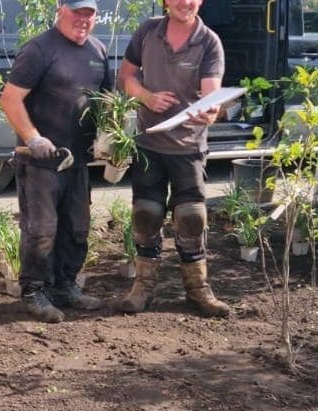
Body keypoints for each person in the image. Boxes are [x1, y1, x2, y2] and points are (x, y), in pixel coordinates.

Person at [112, 0, 233, 317]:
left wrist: (210, 111)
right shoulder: (148, 31)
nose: (185, 2)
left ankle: (197, 290)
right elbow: (126, 76)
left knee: (192, 217)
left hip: (188, 147)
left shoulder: (209, 42)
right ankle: (142, 287)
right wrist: (146, 96)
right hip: (149, 143)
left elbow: (211, 94)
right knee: (146, 213)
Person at [0, 0, 113, 323]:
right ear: (60, 10)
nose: (83, 20)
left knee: (76, 228)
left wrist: (114, 141)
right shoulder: (39, 50)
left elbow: (107, 103)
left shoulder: (98, 51)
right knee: (41, 230)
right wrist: (33, 138)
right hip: (41, 162)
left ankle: (65, 286)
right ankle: (34, 291)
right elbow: (10, 99)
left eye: (89, 14)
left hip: (78, 162)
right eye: (77, 12)